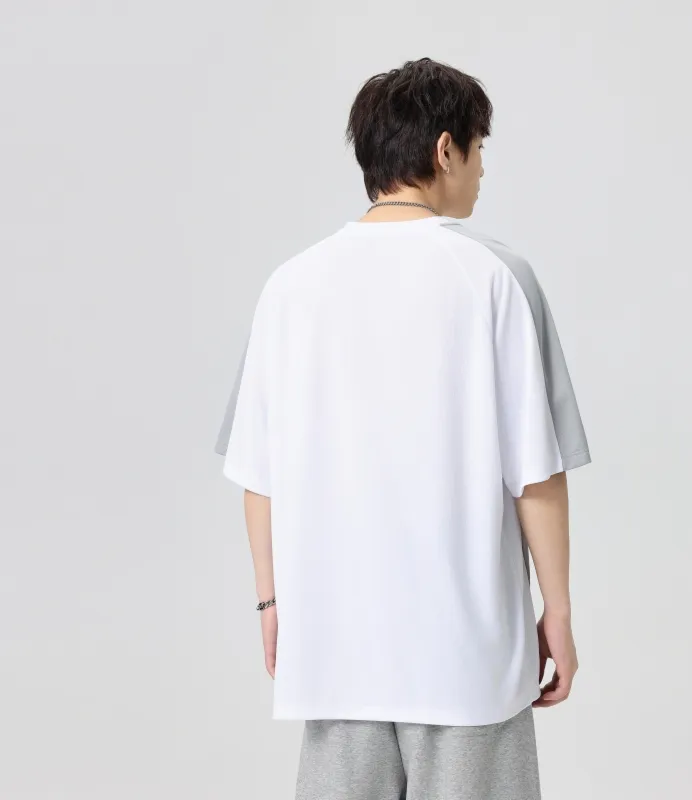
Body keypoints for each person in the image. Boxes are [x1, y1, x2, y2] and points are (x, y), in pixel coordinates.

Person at [215, 57, 591, 800]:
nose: (481, 171)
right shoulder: (496, 276)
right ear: (446, 149)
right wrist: (559, 611)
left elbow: (260, 475)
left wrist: (271, 603)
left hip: (334, 655)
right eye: (479, 150)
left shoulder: (290, 286)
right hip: (469, 659)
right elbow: (536, 473)